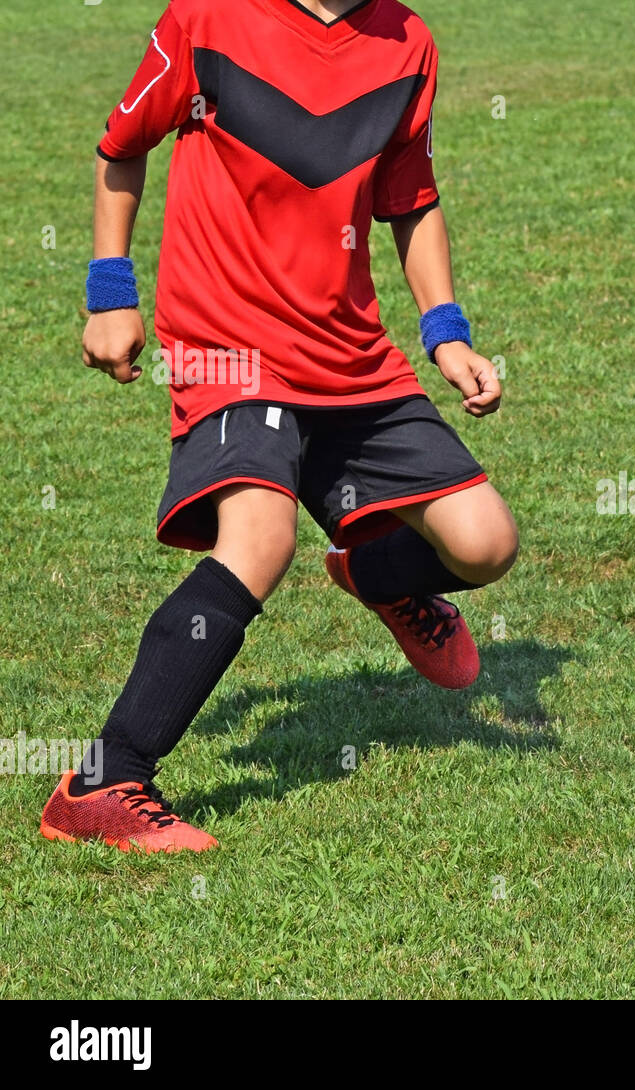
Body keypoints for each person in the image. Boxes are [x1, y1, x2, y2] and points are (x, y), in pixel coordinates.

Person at [41, 0, 517, 853]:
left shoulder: (407, 42)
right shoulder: (207, 17)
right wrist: (110, 292)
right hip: (228, 344)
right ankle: (104, 780)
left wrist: (445, 331)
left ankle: (377, 574)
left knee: (484, 543)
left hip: (348, 352)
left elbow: (411, 200)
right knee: (259, 542)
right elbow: (122, 146)